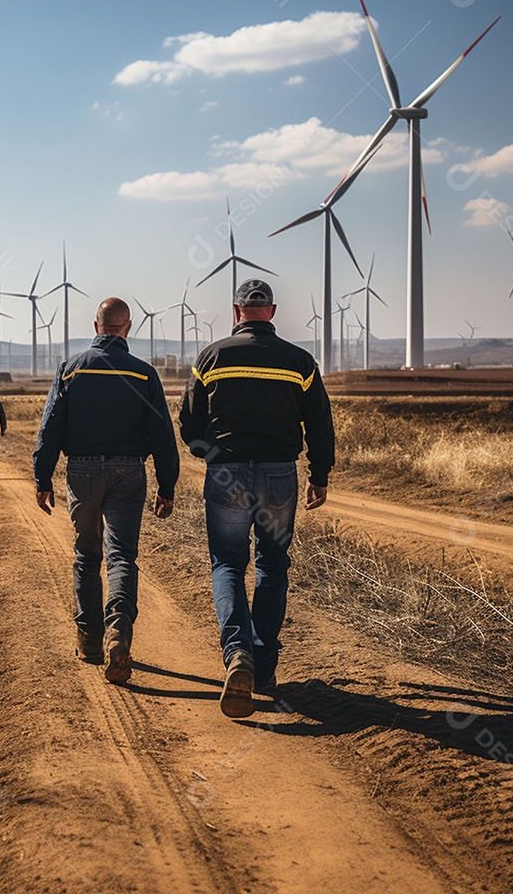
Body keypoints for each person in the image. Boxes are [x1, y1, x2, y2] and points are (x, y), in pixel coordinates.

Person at [179, 278, 334, 719]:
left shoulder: (212, 356)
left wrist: (208, 454)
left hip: (226, 472)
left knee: (228, 563)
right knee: (272, 565)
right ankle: (263, 669)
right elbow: (320, 424)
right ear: (273, 310)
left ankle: (237, 656)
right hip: (280, 473)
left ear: (236, 310)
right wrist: (318, 475)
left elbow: (189, 420)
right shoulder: (299, 361)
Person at [33, 297, 179, 684]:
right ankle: (120, 633)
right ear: (127, 327)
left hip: (81, 471)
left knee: (86, 555)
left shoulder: (69, 371)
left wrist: (42, 477)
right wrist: (167, 484)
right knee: (122, 558)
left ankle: (91, 641)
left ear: (96, 325)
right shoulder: (145, 374)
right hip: (129, 472)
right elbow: (163, 434)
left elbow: (50, 428)